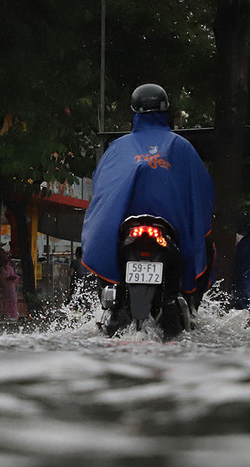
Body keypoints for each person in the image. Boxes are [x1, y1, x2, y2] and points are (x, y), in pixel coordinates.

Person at [80, 83, 216, 306]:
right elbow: (203, 191)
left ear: (134, 111)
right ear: (166, 110)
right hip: (170, 230)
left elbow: (101, 187)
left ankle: (109, 301)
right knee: (207, 246)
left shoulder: (117, 148)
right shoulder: (181, 146)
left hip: (125, 229)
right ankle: (191, 304)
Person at [0, 244, 21, 320]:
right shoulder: (1, 269)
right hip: (3, 288)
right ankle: (2, 316)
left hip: (9, 288)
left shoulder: (9, 268)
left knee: (10, 303)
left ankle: (10, 317)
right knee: (1, 302)